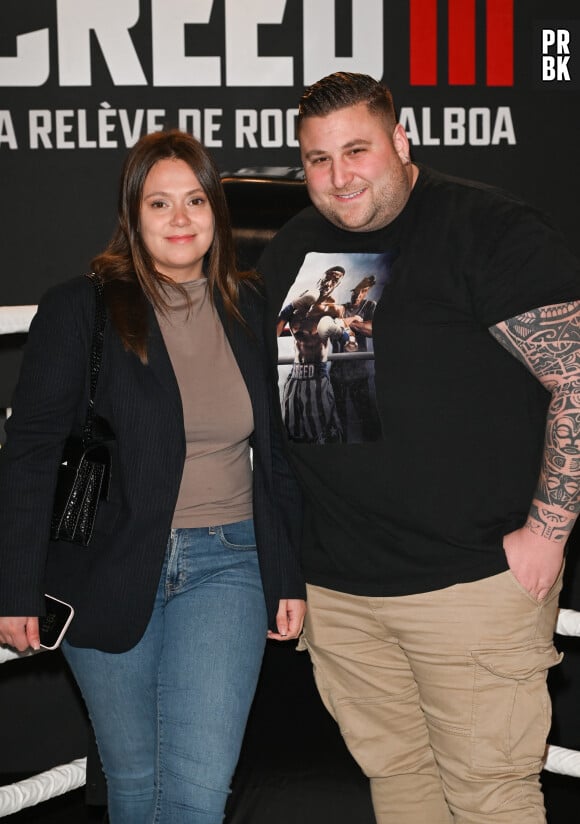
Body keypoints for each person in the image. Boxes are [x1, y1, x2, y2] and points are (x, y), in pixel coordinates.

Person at [257, 72, 580, 824]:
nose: (339, 176)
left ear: (401, 142)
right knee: (399, 786)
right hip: (342, 593)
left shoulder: (487, 228)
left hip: (467, 588)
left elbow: (575, 375)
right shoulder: (292, 253)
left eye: (357, 150)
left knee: (491, 799)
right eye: (317, 159)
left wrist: (550, 529)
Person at [0, 129, 306, 824]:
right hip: (102, 566)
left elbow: (279, 458)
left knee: (197, 793)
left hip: (227, 567)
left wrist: (287, 574)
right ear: (132, 216)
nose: (179, 219)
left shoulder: (250, 307)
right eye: (158, 203)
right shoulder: (81, 308)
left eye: (195, 200)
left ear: (216, 212)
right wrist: (15, 585)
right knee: (135, 785)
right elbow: (30, 452)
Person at [276, 264, 350, 443]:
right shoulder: (299, 305)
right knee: (292, 434)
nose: (330, 281)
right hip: (294, 380)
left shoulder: (335, 309)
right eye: (329, 276)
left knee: (321, 435)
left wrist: (340, 332)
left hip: (318, 379)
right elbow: (274, 333)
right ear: (322, 277)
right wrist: (288, 308)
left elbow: (349, 342)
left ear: (337, 285)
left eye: (336, 279)